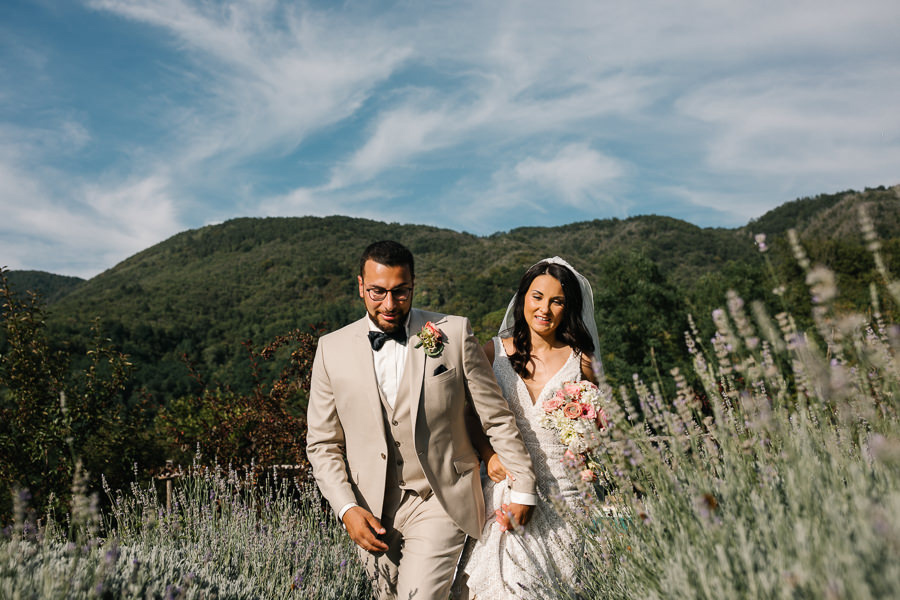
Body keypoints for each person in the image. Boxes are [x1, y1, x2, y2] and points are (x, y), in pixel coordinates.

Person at [306, 240, 538, 600]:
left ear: (414, 285)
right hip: (370, 510)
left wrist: (524, 482)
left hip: (440, 498)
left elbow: (495, 415)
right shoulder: (330, 349)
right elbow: (323, 444)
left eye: (400, 293)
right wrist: (347, 508)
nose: (389, 304)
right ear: (360, 286)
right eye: (377, 292)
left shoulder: (454, 333)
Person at [458, 256, 601, 599]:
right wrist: (489, 454)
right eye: (537, 297)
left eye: (556, 301)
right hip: (505, 486)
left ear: (568, 307)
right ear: (523, 297)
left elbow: (597, 425)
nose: (545, 309)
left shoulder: (581, 361)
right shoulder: (492, 352)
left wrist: (587, 454)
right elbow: (468, 413)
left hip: (564, 494)